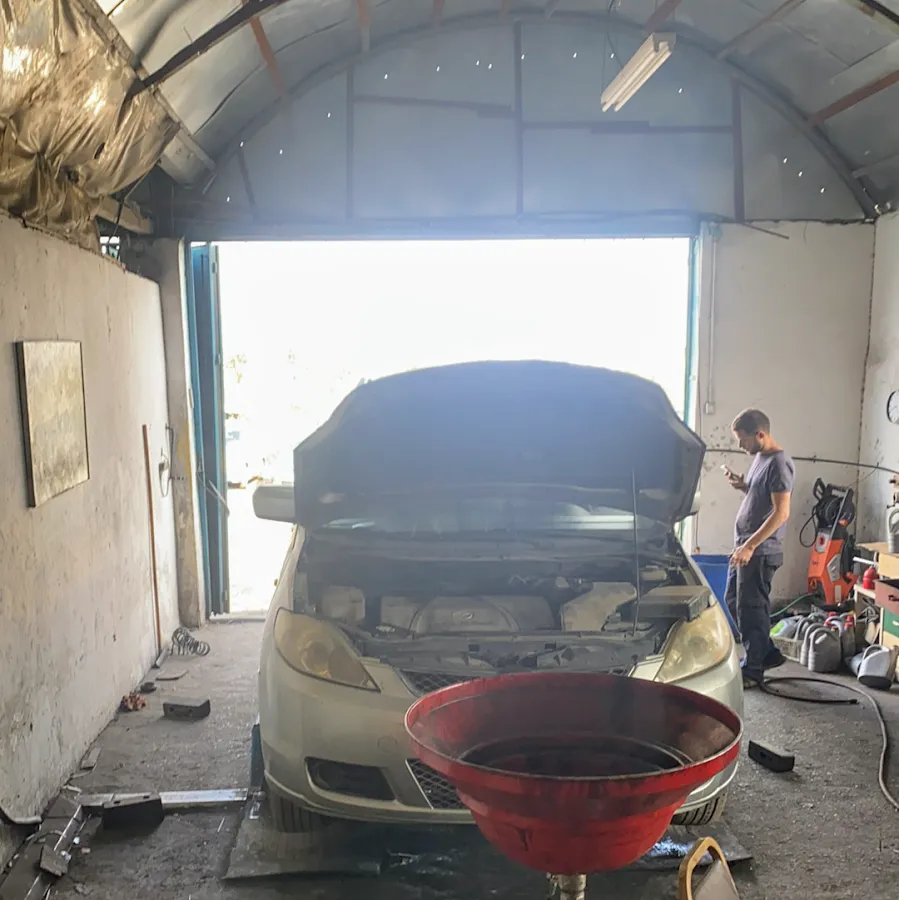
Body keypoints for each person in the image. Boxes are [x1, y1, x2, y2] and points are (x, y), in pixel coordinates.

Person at [723, 409, 794, 687]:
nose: (740, 445)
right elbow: (762, 496)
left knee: (751, 609)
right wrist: (744, 486)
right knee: (733, 600)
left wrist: (750, 546)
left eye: (743, 440)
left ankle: (753, 670)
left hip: (760, 551)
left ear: (760, 434)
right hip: (745, 547)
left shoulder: (779, 464)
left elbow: (781, 513)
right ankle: (767, 653)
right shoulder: (760, 459)